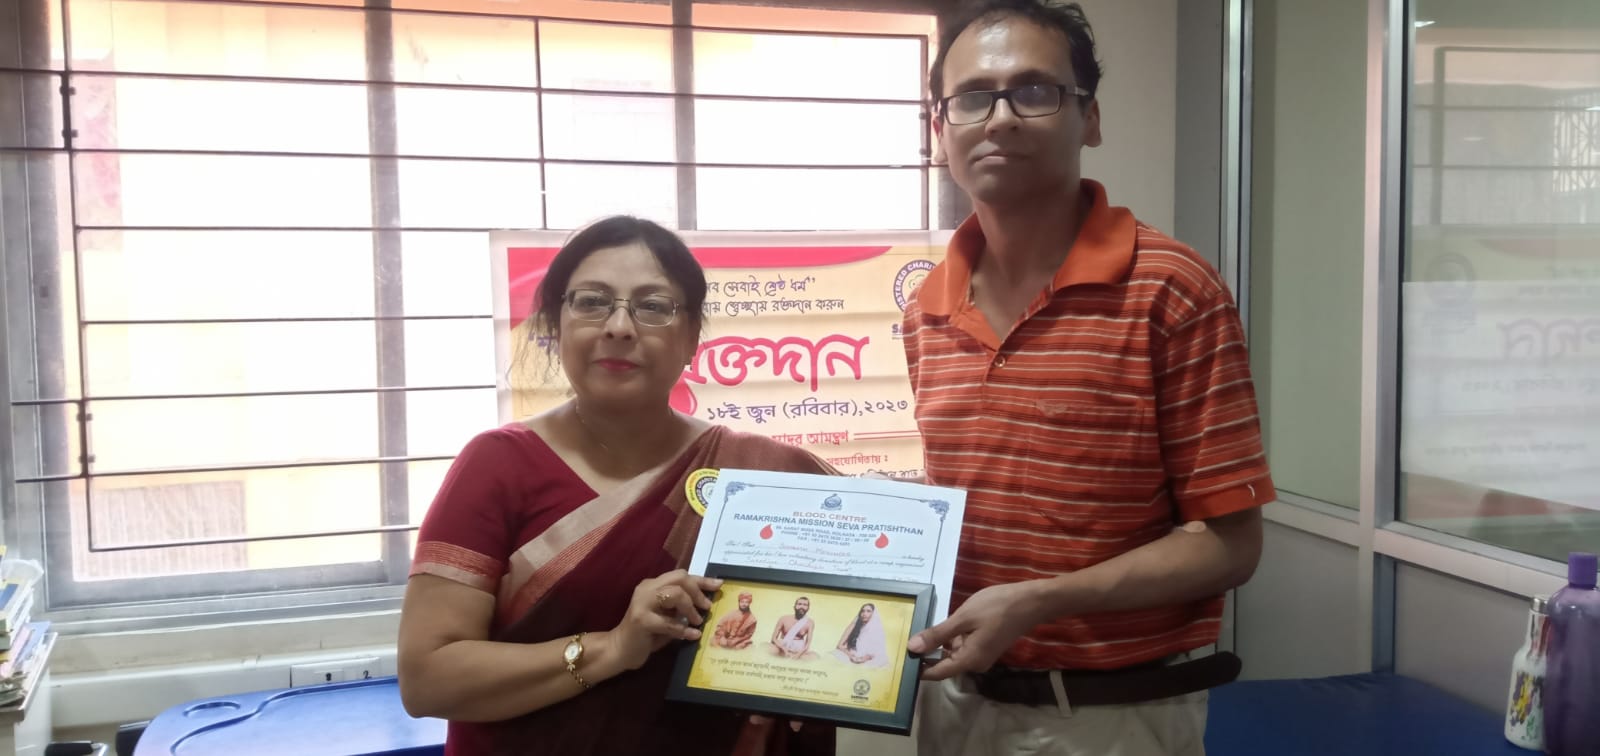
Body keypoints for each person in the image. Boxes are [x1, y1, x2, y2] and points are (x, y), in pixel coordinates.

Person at [901, 2, 1275, 755]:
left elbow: (1231, 545)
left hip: (1111, 716)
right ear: (940, 130)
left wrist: (1041, 601)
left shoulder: (1171, 289)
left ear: (1090, 119)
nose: (1000, 118)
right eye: (971, 98)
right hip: (956, 700)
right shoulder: (926, 309)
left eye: (1034, 91)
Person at [396, 215, 837, 756]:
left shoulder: (760, 473)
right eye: (592, 301)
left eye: (653, 306)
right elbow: (427, 679)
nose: (620, 327)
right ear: (556, 325)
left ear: (692, 337)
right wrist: (613, 648)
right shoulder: (496, 466)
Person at [830, 603, 889, 668]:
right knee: (834, 657)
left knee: (881, 662)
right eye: (862, 611)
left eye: (868, 611)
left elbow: (877, 651)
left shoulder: (877, 630)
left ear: (873, 614)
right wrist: (851, 656)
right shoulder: (854, 625)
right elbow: (839, 645)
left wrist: (863, 658)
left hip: (866, 658)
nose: (864, 614)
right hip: (851, 655)